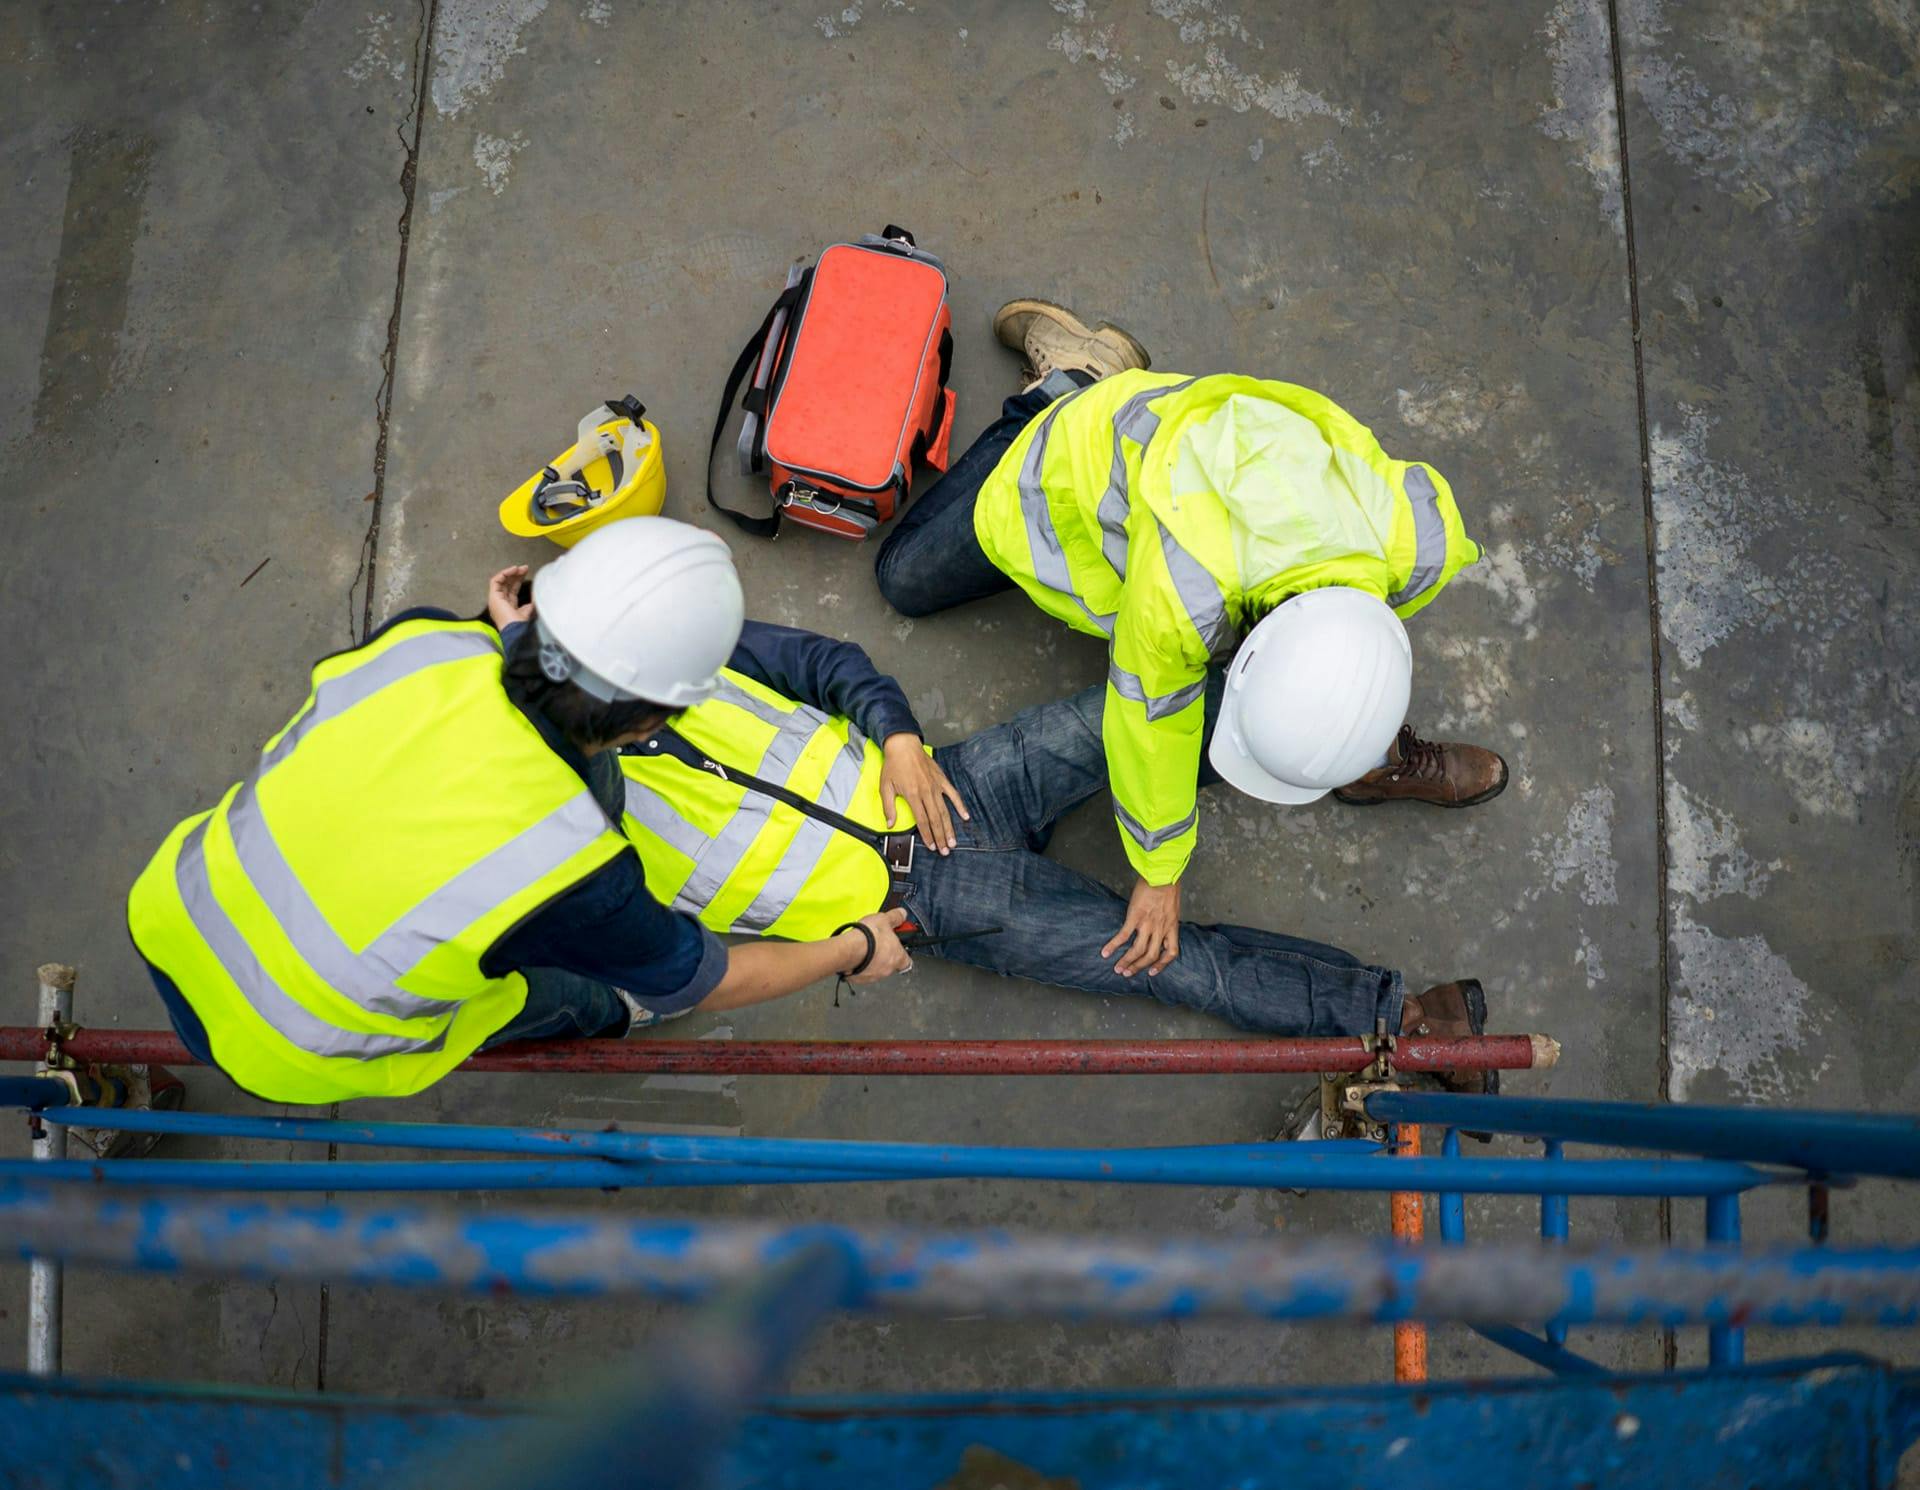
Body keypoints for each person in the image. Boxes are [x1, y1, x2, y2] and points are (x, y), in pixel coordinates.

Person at [125, 518, 911, 1104]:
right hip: (292, 1042)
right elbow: (711, 981)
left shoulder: (424, 639)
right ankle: (609, 1012)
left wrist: (511, 641)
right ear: (648, 725)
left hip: (176, 904)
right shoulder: (576, 864)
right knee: (569, 990)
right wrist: (852, 948)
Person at [874, 300, 1509, 981]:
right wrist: (1160, 872)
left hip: (1195, 467)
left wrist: (1350, 716)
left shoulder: (1419, 539)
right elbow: (1149, 727)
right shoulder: (1181, 597)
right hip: (1071, 464)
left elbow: (1358, 648)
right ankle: (1071, 380)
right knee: (905, 579)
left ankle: (1368, 757)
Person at [606, 608, 1495, 1078]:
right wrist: (853, 948)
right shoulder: (562, 849)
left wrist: (898, 735)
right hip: (926, 909)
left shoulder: (639, 650)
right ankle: (1409, 1021)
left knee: (1156, 714)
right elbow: (682, 979)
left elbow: (822, 664)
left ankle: (1358, 754)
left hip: (952, 781)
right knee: (1180, 966)